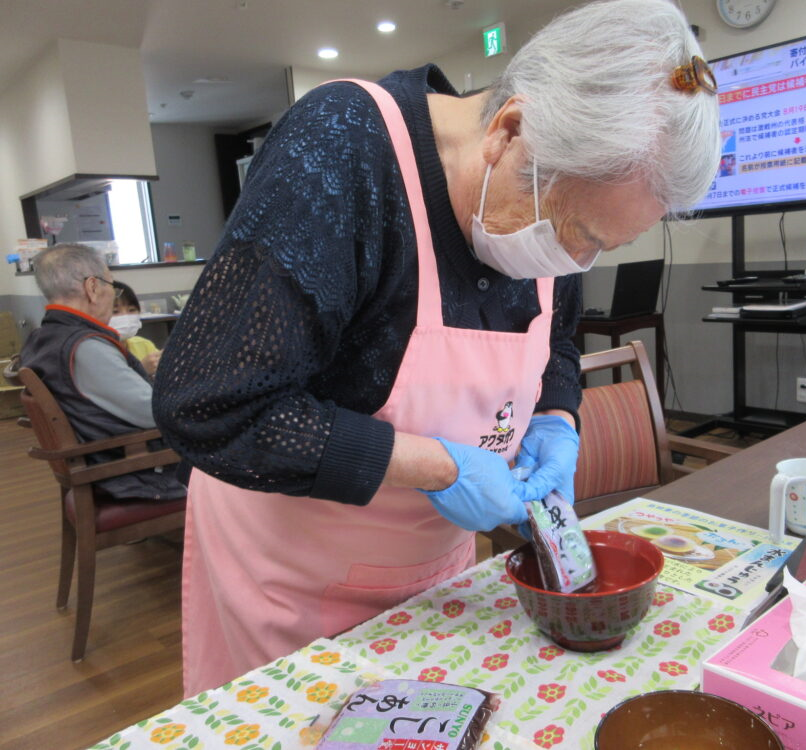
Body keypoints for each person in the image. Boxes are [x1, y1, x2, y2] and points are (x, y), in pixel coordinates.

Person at [153, 0, 719, 696]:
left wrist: (557, 419)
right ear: (510, 130)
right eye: (578, 232)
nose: (578, 261)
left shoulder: (555, 217)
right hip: (291, 574)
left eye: (607, 247)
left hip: (437, 574)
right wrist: (436, 465)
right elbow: (212, 406)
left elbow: (557, 349)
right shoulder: (344, 148)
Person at [18, 243, 186, 501]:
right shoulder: (86, 347)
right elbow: (153, 413)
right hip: (133, 473)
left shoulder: (43, 337)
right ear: (93, 287)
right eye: (112, 286)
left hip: (102, 461)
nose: (113, 294)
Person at [109, 281, 161, 376]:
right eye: (115, 311)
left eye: (131, 310)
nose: (125, 316)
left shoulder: (144, 345)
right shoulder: (98, 351)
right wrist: (141, 369)